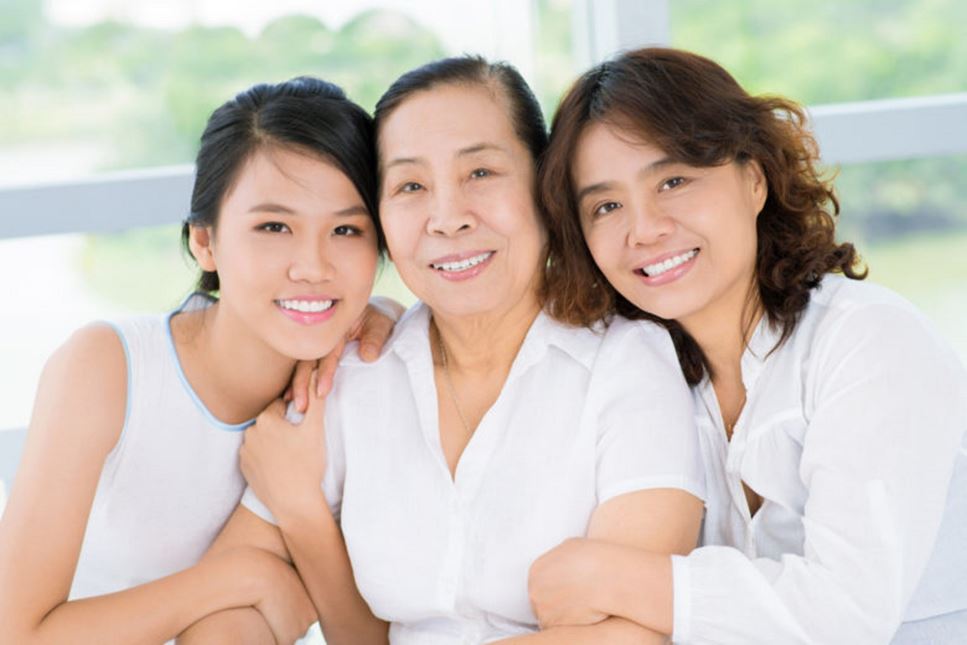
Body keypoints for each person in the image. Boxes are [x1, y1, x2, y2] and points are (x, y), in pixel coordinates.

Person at [182, 55, 706, 645]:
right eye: (410, 185)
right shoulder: (351, 373)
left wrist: (305, 518)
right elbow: (228, 598)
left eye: (480, 172)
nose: (448, 218)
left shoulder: (628, 364)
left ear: (543, 184)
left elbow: (626, 636)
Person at [529, 47, 967, 643]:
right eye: (606, 206)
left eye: (674, 180)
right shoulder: (641, 373)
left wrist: (606, 576)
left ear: (754, 178)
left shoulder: (868, 339)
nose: (645, 228)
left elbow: (846, 614)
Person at [0, 76, 397, 644]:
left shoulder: (355, 384)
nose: (313, 265)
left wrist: (382, 310)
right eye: (274, 226)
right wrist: (239, 577)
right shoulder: (106, 369)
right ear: (205, 242)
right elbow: (18, 635)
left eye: (346, 229)